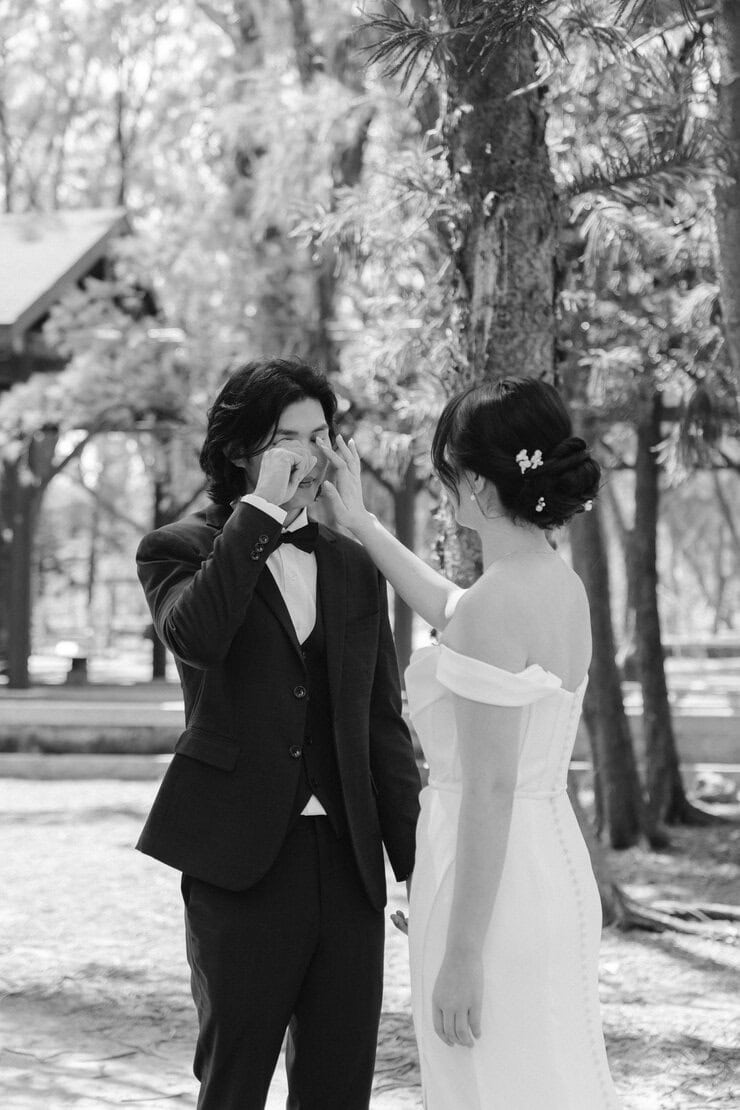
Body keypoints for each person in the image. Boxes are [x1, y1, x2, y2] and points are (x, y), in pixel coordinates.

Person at [317, 376, 622, 1109]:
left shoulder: (495, 606)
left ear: (480, 483)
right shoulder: (556, 584)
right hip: (548, 865)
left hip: (492, 885)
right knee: (547, 1077)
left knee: (487, 1086)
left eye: (448, 471)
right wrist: (362, 524)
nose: (443, 487)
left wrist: (460, 952)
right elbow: (453, 607)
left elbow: (489, 790)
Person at [135, 357, 421, 1110]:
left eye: (322, 435)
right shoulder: (178, 549)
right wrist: (259, 514)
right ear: (241, 451)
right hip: (239, 860)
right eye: (288, 439)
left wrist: (419, 867)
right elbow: (196, 638)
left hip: (348, 863)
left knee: (339, 1088)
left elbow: (381, 723)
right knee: (234, 1083)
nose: (312, 455)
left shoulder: (354, 564)